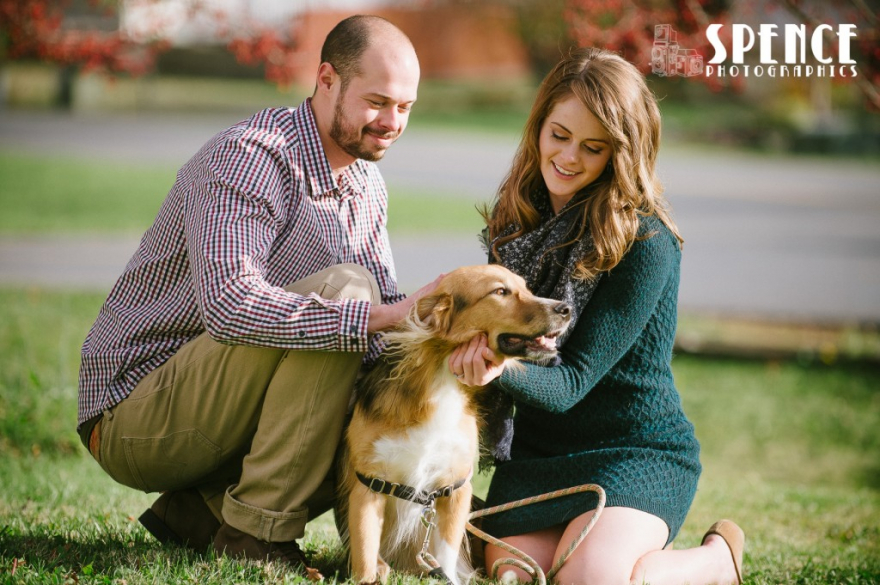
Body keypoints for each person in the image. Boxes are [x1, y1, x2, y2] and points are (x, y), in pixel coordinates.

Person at [76, 15, 438, 576]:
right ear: (326, 79)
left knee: (370, 358)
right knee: (348, 297)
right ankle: (253, 536)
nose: (391, 122)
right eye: (378, 101)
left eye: (405, 108)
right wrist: (375, 316)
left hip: (221, 412)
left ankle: (199, 513)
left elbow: (381, 333)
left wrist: (450, 345)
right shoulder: (251, 156)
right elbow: (229, 306)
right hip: (133, 414)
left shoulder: (366, 184)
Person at [448, 48, 745, 585]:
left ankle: (717, 561)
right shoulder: (514, 227)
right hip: (541, 456)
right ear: (539, 126)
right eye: (558, 135)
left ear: (620, 154)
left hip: (635, 452)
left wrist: (497, 362)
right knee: (515, 573)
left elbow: (570, 383)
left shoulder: (647, 241)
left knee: (590, 579)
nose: (568, 157)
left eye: (593, 147)